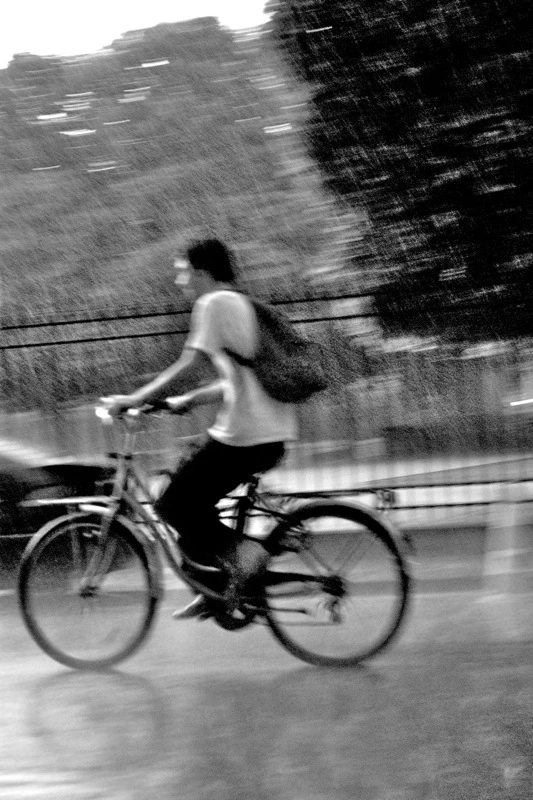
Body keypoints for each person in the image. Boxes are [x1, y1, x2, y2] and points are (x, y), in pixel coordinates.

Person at [102, 238, 298, 619]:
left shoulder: (212, 304)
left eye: (183, 272)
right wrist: (191, 399)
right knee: (183, 481)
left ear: (203, 272)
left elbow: (189, 365)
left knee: (171, 504)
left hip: (244, 437)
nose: (180, 281)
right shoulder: (243, 303)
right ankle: (215, 588)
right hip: (270, 434)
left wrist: (132, 399)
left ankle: (248, 554)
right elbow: (240, 380)